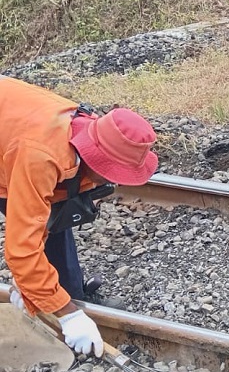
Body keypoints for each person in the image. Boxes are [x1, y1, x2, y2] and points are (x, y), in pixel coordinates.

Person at [1, 77, 159, 357]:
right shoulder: (41, 158)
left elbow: (42, 217)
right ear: (94, 158)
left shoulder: (90, 129)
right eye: (113, 173)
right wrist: (69, 315)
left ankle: (66, 291)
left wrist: (33, 286)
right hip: (21, 149)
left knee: (53, 214)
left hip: (14, 141)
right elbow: (22, 249)